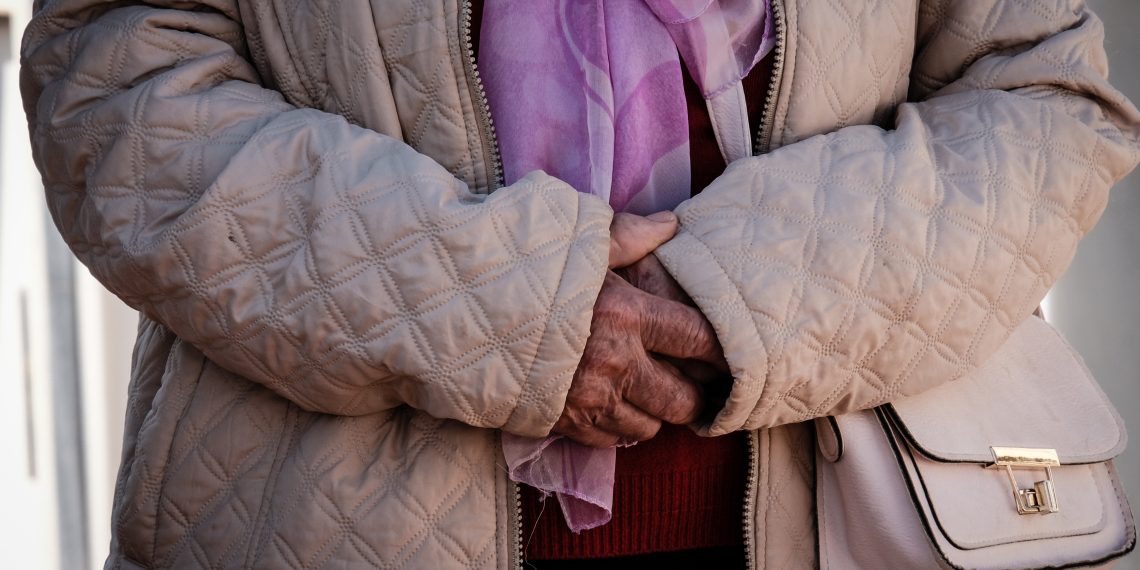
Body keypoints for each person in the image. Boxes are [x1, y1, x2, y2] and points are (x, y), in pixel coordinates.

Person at [19, 0, 1139, 568]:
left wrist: (736, 300)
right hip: (323, 524)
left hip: (840, 525)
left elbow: (1041, 95)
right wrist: (502, 309)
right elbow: (115, 86)